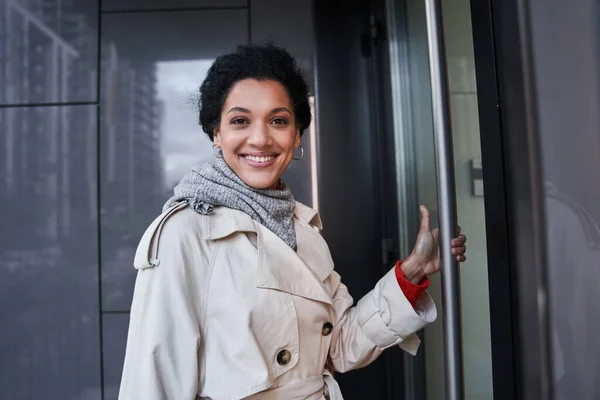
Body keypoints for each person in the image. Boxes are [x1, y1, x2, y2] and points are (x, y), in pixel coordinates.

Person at [118, 44, 467, 400]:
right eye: (240, 121)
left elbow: (340, 347)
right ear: (216, 134)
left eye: (279, 121)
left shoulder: (302, 226)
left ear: (297, 135)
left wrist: (410, 274)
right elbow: (152, 381)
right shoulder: (186, 231)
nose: (260, 138)